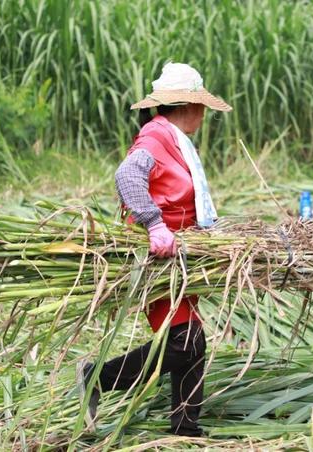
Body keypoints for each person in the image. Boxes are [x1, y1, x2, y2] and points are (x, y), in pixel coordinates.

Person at [77, 62, 232, 437]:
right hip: (157, 257)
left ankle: (185, 425)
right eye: (201, 106)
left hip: (182, 256)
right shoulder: (155, 137)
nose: (204, 114)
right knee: (187, 340)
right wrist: (154, 223)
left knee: (191, 341)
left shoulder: (175, 139)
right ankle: (97, 377)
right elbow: (127, 176)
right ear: (188, 106)